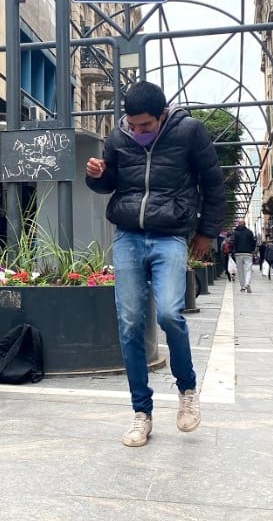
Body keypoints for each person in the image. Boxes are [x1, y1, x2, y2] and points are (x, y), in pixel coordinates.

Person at [85, 80, 225, 447]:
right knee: (130, 322)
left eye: (145, 125)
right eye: (133, 125)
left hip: (170, 234)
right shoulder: (117, 137)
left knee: (168, 313)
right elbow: (111, 183)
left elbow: (213, 184)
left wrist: (207, 232)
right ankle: (140, 412)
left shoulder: (189, 132)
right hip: (128, 235)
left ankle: (187, 390)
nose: (138, 131)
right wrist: (96, 175)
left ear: (162, 115)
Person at [231, 219, 256, 292]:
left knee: (240, 270)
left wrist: (232, 252)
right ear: (245, 224)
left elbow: (232, 242)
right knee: (248, 270)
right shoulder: (249, 232)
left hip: (238, 253)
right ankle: (247, 283)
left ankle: (242, 286)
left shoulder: (235, 233)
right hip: (248, 253)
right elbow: (253, 242)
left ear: (239, 224)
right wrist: (253, 250)